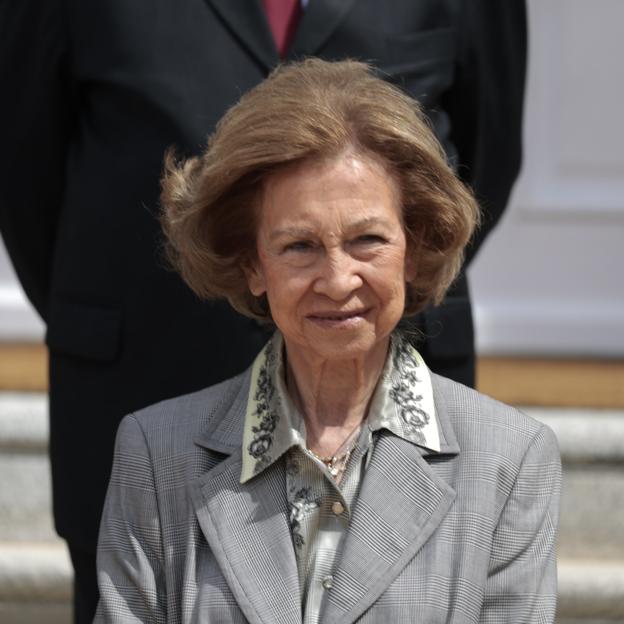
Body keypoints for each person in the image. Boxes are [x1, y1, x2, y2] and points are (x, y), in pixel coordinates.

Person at [0, 2, 527, 620]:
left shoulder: (511, 456)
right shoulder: (147, 450)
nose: (331, 278)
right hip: (142, 378)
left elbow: (479, 166)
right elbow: (22, 165)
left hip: (396, 397)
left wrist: (360, 300)